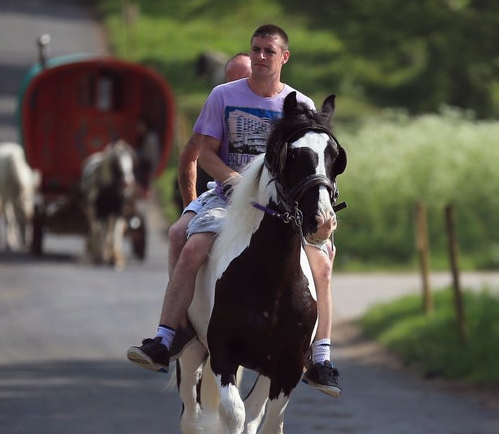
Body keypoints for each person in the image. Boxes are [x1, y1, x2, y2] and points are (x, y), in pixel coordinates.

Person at [128, 25, 344, 399]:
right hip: (229, 196)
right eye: (256, 49)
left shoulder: (301, 104)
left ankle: (320, 356)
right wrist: (230, 180)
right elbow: (205, 152)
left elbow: (315, 162)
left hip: (283, 206)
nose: (261, 57)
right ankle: (167, 336)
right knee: (190, 244)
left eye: (269, 51)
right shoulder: (223, 96)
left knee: (323, 261)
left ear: (284, 57)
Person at [170, 52, 251, 274]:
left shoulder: (278, 105)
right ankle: (179, 306)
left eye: (243, 80)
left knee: (321, 250)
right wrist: (190, 204)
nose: (237, 87)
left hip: (265, 199)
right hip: (221, 195)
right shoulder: (220, 106)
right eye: (231, 81)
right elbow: (190, 155)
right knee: (177, 233)